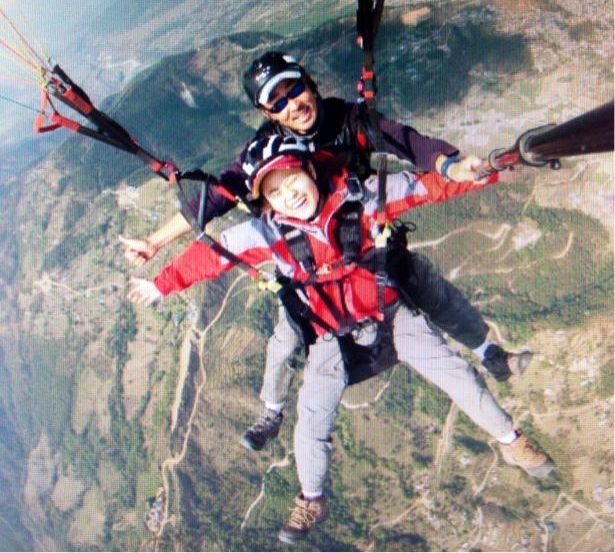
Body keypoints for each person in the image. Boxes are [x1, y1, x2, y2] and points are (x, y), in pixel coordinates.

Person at [128, 141, 554, 545]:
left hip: (390, 315)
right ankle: (311, 498)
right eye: (275, 192)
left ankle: (511, 441)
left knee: (453, 370)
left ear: (311, 171)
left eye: (292, 179)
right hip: (333, 334)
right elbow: (212, 255)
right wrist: (161, 284)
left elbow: (428, 185)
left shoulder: (362, 199)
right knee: (312, 414)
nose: (289, 195)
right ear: (267, 203)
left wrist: (486, 171)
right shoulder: (267, 233)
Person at [121, 52, 531, 450]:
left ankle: (490, 354)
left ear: (309, 83)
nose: (292, 104)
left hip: (366, 245)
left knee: (430, 289)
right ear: (267, 114)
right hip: (311, 265)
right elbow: (214, 199)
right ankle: (271, 411)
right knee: (288, 336)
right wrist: (155, 242)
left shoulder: (350, 120)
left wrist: (451, 165)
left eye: (293, 90)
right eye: (277, 102)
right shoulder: (263, 151)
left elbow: (408, 143)